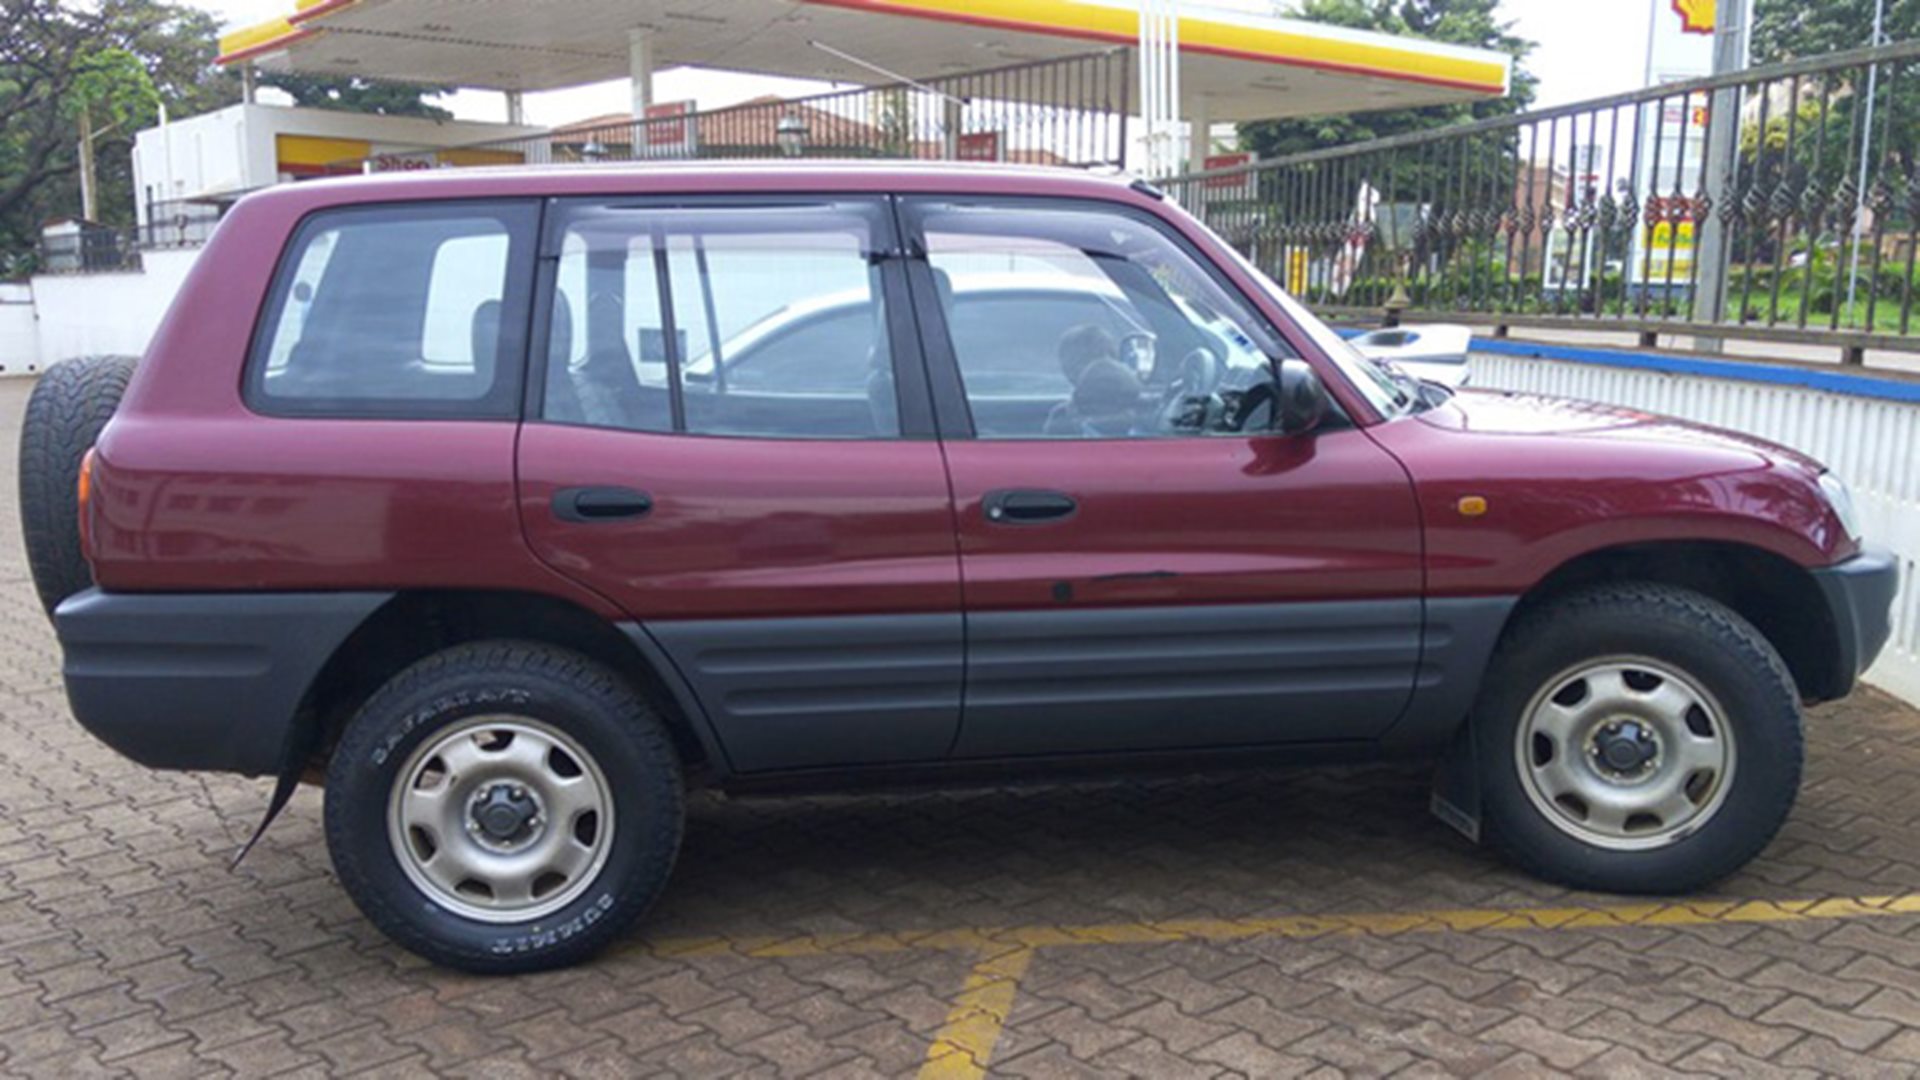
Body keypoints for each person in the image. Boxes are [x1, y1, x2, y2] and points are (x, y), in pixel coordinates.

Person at [1046, 323, 1143, 437]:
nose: (1105, 363)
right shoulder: (1143, 418)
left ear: (1068, 370)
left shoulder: (1062, 418)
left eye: (1109, 356)